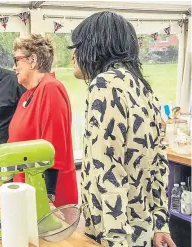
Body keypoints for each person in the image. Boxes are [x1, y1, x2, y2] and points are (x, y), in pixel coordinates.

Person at [69, 11, 176, 247]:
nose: (73, 55)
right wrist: (160, 222)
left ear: (95, 45)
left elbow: (106, 172)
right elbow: (159, 162)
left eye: (76, 45)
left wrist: (114, 241)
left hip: (117, 235)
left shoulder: (104, 85)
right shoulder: (142, 87)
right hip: (142, 228)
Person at [8, 34, 78, 208]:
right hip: (26, 190)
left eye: (17, 60)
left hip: (48, 197)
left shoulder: (51, 88)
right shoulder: (28, 94)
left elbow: (54, 146)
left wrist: (48, 195)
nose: (14, 67)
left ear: (33, 60)